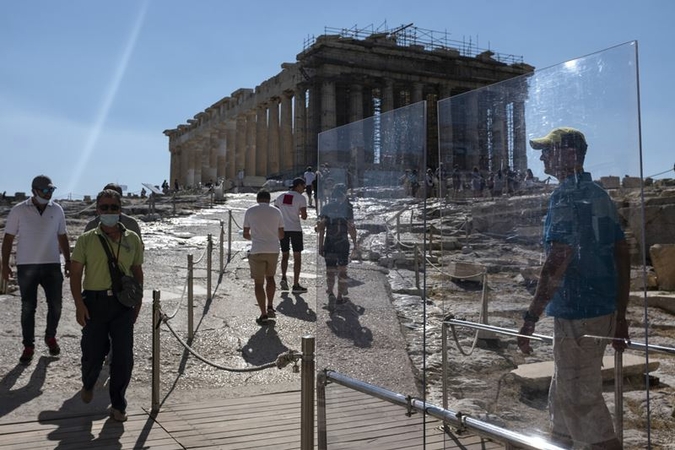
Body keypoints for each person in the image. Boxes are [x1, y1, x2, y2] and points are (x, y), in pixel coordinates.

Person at [517, 127, 629, 450]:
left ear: (569, 155)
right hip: (601, 312)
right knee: (563, 400)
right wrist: (620, 315)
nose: (541, 157)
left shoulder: (565, 196)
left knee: (583, 404)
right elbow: (622, 254)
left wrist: (530, 317)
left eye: (547, 150)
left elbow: (558, 260)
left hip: (577, 316)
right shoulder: (599, 194)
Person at [69, 189, 144, 422]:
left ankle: (118, 404)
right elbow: (75, 274)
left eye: (114, 207)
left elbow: (137, 272)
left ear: (120, 210)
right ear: (97, 210)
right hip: (95, 302)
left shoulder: (132, 238)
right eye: (105, 208)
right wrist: (79, 304)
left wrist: (137, 304)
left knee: (123, 357)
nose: (109, 211)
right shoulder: (86, 239)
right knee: (92, 352)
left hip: (122, 305)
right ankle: (89, 382)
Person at [1, 175, 71, 364]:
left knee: (56, 305)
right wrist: (4, 264)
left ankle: (50, 336)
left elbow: (62, 236)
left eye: (51, 190)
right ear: (34, 191)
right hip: (26, 265)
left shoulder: (57, 210)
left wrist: (69, 261)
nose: (49, 194)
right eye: (45, 191)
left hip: (52, 265)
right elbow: (8, 238)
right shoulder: (18, 210)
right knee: (28, 307)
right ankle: (28, 346)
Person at [243, 190, 285, 325]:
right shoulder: (277, 211)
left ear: (257, 199)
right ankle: (271, 306)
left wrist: (255, 237)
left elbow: (245, 234)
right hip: (273, 249)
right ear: (268, 199)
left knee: (258, 283)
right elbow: (282, 235)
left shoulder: (250, 211)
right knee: (271, 278)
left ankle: (263, 314)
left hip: (257, 249)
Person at [317, 183, 357, 304]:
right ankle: (339, 296)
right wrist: (355, 243)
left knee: (330, 270)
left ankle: (330, 291)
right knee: (342, 270)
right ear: (345, 194)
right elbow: (351, 228)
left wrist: (320, 245)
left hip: (329, 242)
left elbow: (321, 228)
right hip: (343, 243)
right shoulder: (348, 209)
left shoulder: (326, 208)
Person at [273, 178, 308, 293]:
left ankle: (283, 277)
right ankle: (296, 283)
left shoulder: (282, 196)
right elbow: (304, 216)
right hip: (295, 229)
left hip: (283, 228)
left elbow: (277, 211)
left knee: (285, 254)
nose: (304, 189)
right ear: (298, 186)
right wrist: (297, 213)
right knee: (297, 257)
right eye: (303, 186)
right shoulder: (301, 198)